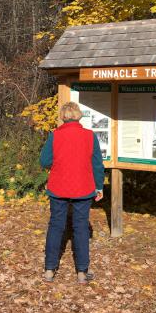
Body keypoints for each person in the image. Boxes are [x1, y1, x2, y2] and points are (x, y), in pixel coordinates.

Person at [40, 101, 104, 284]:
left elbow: (44, 161)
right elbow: (97, 165)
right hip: (83, 187)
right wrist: (99, 187)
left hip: (58, 187)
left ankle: (49, 270)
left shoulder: (55, 136)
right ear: (78, 116)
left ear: (63, 116)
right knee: (81, 227)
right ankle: (82, 272)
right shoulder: (89, 136)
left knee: (55, 226)